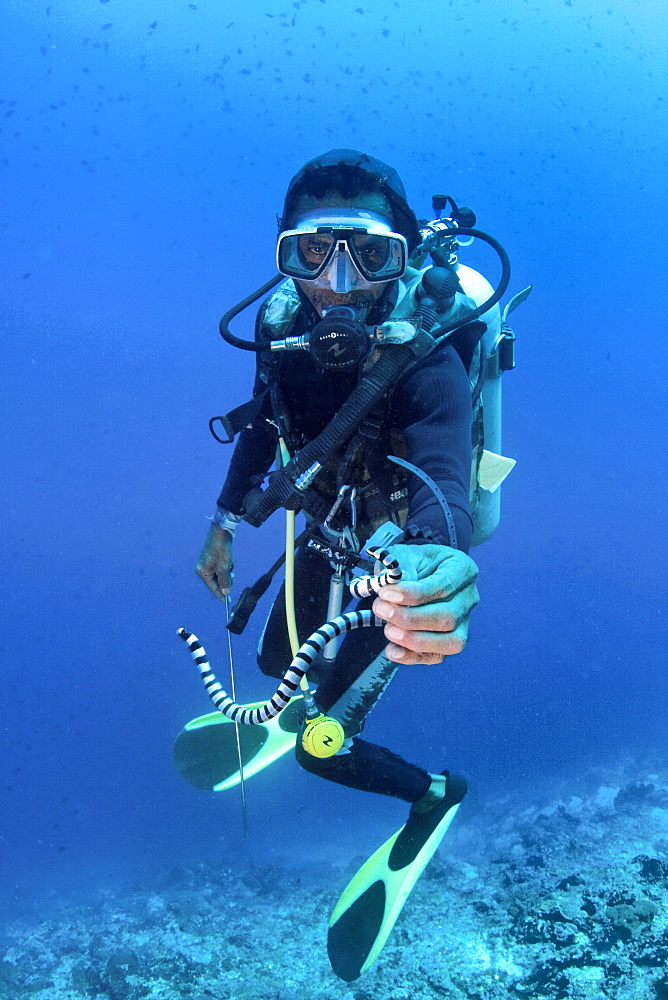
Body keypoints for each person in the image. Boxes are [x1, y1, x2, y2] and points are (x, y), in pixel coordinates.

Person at [195, 148, 489, 812]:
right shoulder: (278, 331)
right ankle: (296, 698)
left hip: (391, 549)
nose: (338, 284)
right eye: (313, 253)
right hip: (325, 527)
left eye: (369, 256)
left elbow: (444, 472)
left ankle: (434, 793)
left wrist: (439, 559)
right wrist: (222, 528)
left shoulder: (428, 359)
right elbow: (260, 428)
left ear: (404, 257)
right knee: (274, 666)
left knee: (321, 750)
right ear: (285, 255)